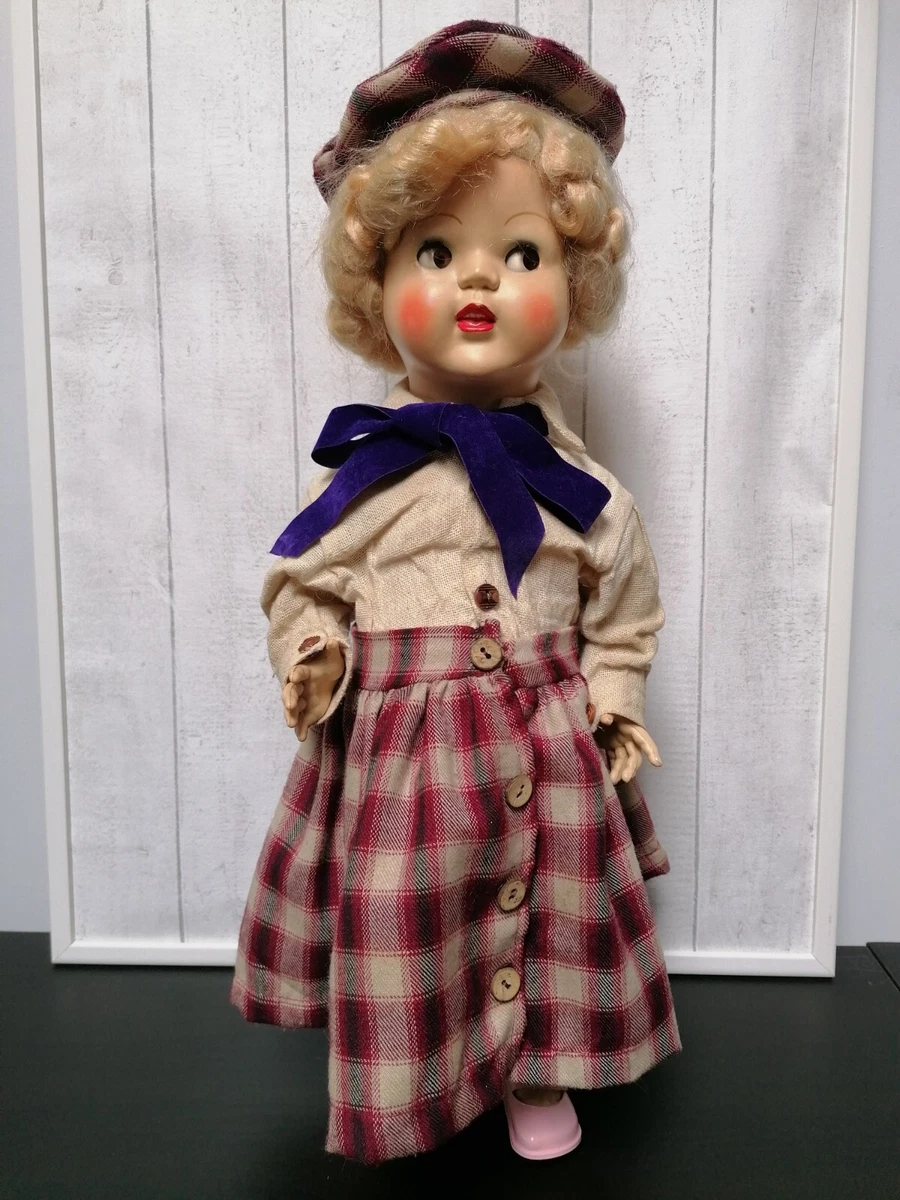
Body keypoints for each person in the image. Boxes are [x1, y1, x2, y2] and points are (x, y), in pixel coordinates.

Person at [231, 19, 680, 1165]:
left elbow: (623, 597)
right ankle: (418, 1086)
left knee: (552, 918)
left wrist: (615, 692)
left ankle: (537, 1074)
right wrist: (316, 652)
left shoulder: (579, 487)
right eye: (436, 251)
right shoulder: (369, 480)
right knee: (412, 921)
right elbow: (299, 578)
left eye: (522, 254)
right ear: (377, 283)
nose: (480, 277)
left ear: (572, 285)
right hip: (407, 768)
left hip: (549, 753)